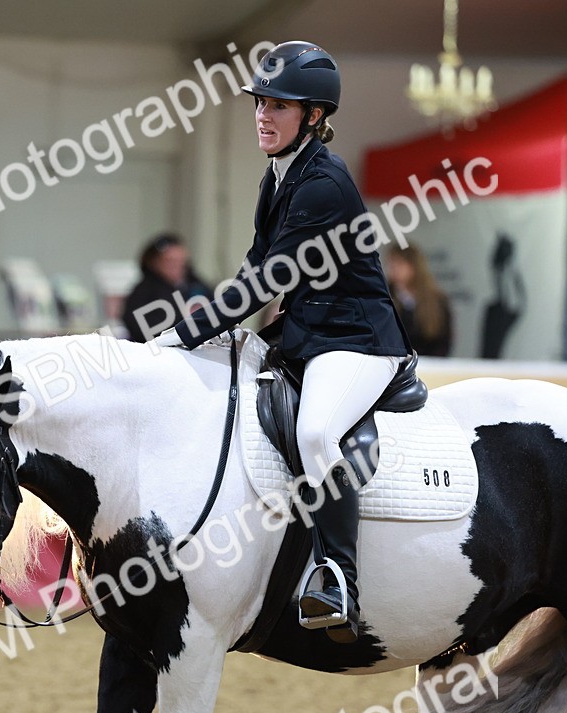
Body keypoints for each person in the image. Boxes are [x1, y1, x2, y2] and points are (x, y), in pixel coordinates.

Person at [155, 42, 411, 644]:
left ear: (314, 116)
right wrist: (210, 331)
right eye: (260, 103)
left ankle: (338, 578)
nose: (263, 116)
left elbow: (268, 282)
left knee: (317, 432)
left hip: (355, 341)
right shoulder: (279, 175)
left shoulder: (323, 183)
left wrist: (177, 336)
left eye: (279, 106)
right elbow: (254, 266)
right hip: (307, 334)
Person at [121, 233, 212, 343]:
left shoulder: (195, 284)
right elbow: (138, 328)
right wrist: (184, 318)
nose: (177, 266)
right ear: (154, 262)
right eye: (170, 261)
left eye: (181, 261)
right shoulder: (143, 292)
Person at [385, 243, 453, 357]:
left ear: (414, 265)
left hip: (429, 363)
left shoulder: (437, 300)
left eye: (399, 263)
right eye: (391, 264)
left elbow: (443, 340)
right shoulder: (384, 297)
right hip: (394, 361)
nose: (394, 269)